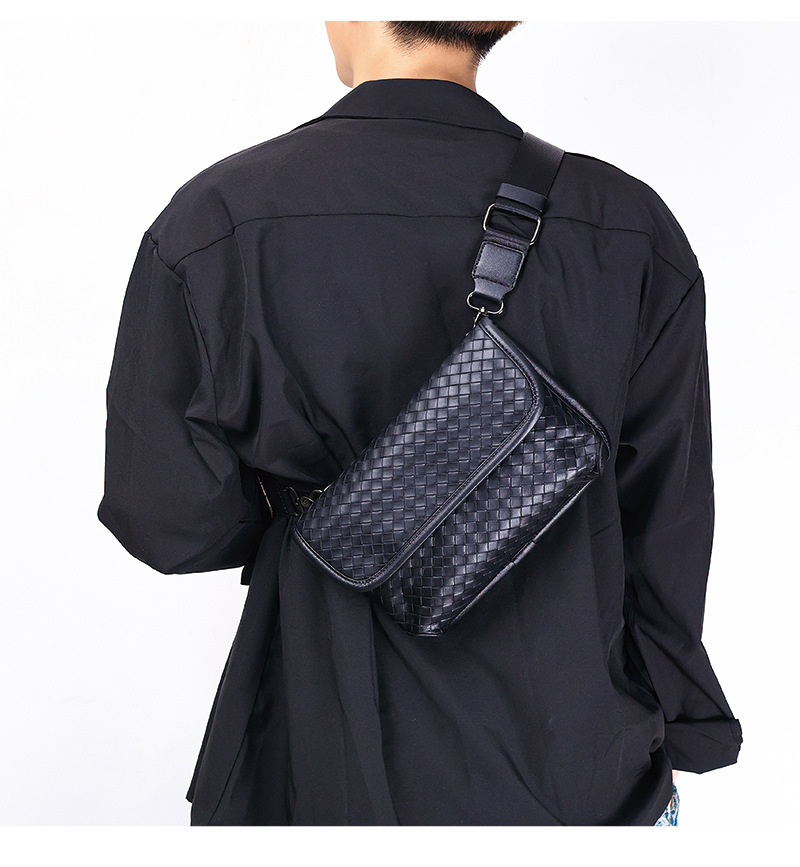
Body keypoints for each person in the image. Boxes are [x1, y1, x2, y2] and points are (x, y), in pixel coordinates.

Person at [97, 20, 742, 825]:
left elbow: (165, 520)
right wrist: (684, 728)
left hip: (313, 761)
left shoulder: (214, 220)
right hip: (582, 776)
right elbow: (666, 527)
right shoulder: (628, 225)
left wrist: (320, 514)